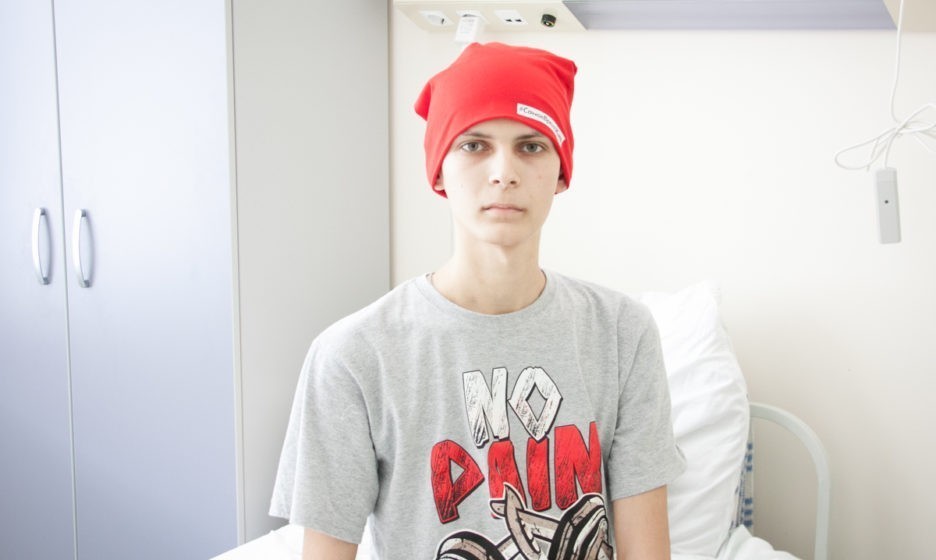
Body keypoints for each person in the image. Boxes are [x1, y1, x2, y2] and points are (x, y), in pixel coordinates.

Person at [270, 42, 685, 560]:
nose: (503, 172)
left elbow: (647, 550)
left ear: (561, 171)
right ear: (438, 171)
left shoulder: (622, 332)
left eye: (531, 146)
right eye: (474, 145)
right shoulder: (354, 355)